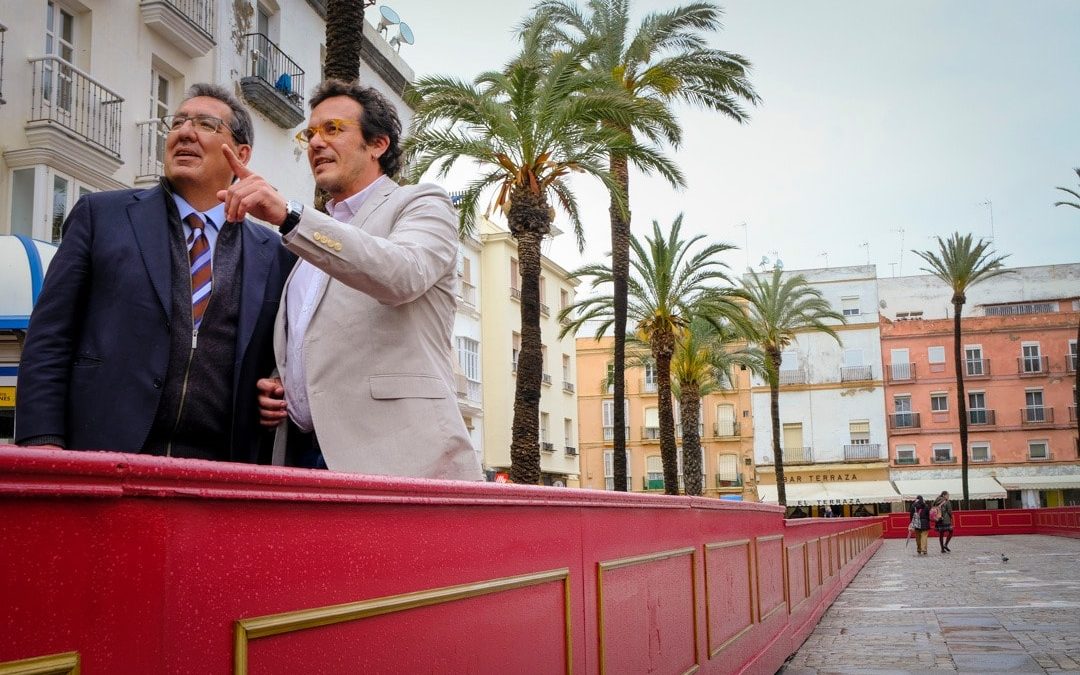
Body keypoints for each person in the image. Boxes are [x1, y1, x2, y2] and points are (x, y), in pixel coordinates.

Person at [15, 84, 294, 463]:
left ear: (241, 154)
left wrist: (275, 386)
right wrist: (42, 438)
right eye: (178, 121)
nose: (184, 132)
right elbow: (49, 335)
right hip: (103, 453)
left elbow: (279, 356)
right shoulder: (101, 217)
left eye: (206, 124)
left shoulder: (274, 253)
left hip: (219, 470)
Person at [222, 79, 482, 481]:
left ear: (378, 144)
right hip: (304, 455)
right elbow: (322, 335)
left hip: (400, 460)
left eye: (333, 129)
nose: (315, 142)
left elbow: (402, 274)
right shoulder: (311, 237)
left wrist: (289, 215)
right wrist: (283, 385)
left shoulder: (421, 203)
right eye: (310, 133)